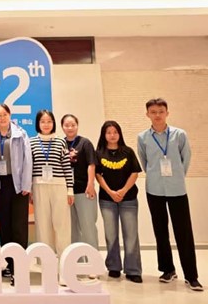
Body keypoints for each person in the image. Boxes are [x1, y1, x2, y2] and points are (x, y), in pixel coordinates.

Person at [137, 98, 203, 291]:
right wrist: (155, 175)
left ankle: (191, 276)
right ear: (147, 114)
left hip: (177, 189)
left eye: (161, 111)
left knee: (184, 232)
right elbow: (144, 161)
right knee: (160, 231)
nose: (157, 115)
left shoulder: (179, 134)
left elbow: (186, 158)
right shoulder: (142, 137)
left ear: (167, 113)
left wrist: (177, 176)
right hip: (154, 189)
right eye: (153, 112)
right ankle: (167, 270)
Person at [0, 103, 32, 283]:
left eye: (4, 114)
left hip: (18, 184)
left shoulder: (20, 134)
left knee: (19, 227)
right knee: (5, 226)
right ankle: (8, 264)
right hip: (1, 185)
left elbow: (28, 160)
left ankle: (19, 267)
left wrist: (26, 184)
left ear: (10, 115)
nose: (2, 118)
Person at [95, 120, 142, 283]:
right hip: (107, 200)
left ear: (120, 134)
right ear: (104, 135)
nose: (112, 135)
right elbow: (98, 175)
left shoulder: (128, 152)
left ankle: (133, 270)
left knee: (131, 235)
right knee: (111, 234)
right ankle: (114, 267)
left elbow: (135, 172)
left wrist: (123, 191)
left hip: (128, 199)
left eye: (115, 132)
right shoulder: (99, 153)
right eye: (108, 132)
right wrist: (110, 192)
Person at [30, 110, 73, 263]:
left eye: (49, 121)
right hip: (39, 186)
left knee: (62, 224)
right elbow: (29, 168)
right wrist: (30, 190)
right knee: (42, 225)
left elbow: (66, 166)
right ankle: (45, 260)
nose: (46, 124)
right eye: (43, 121)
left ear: (53, 123)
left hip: (59, 186)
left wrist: (70, 190)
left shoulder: (60, 141)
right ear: (38, 124)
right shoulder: (31, 142)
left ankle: (64, 260)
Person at [61, 114, 99, 252]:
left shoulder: (85, 143)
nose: (70, 128)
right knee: (71, 229)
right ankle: (76, 260)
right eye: (67, 125)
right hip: (66, 192)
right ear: (62, 127)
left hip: (84, 190)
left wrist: (91, 184)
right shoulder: (60, 144)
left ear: (77, 126)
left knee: (88, 226)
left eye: (73, 125)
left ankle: (92, 259)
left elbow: (91, 164)